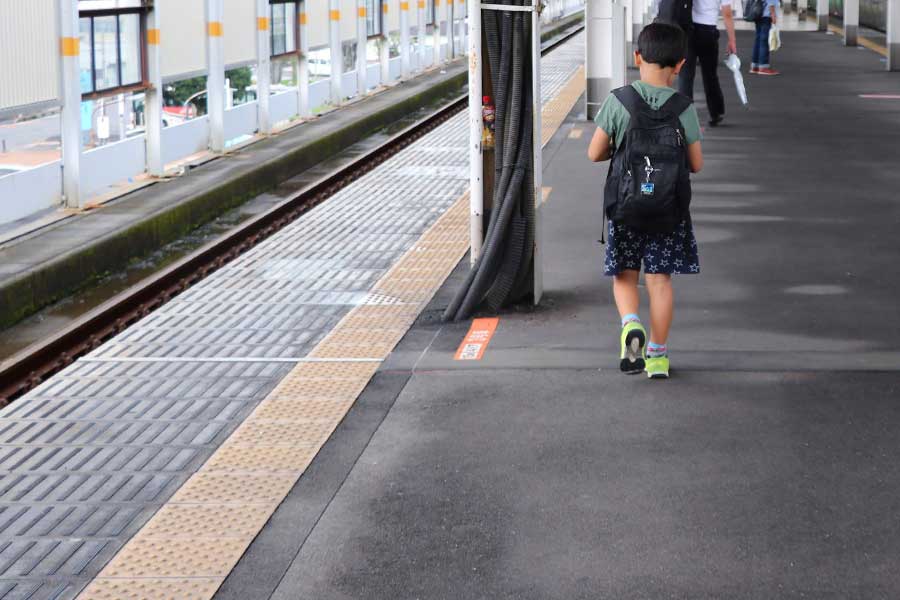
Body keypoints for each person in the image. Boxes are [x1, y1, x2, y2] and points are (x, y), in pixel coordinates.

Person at [587, 23, 704, 379]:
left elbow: (594, 154)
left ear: (637, 57)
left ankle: (630, 323)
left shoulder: (619, 101)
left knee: (624, 276)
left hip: (626, 208)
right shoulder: (684, 108)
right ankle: (656, 355)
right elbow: (696, 164)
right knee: (660, 281)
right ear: (681, 65)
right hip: (668, 212)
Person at [677, 0, 738, 126]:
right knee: (710, 75)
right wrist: (732, 40)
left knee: (685, 75)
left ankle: (685, 116)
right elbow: (727, 14)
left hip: (688, 29)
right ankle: (715, 113)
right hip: (708, 31)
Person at [751, 0, 779, 74]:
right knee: (764, 41)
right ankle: (763, 67)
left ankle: (755, 66)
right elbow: (771, 1)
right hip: (766, 14)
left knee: (758, 40)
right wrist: (773, 14)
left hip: (758, 13)